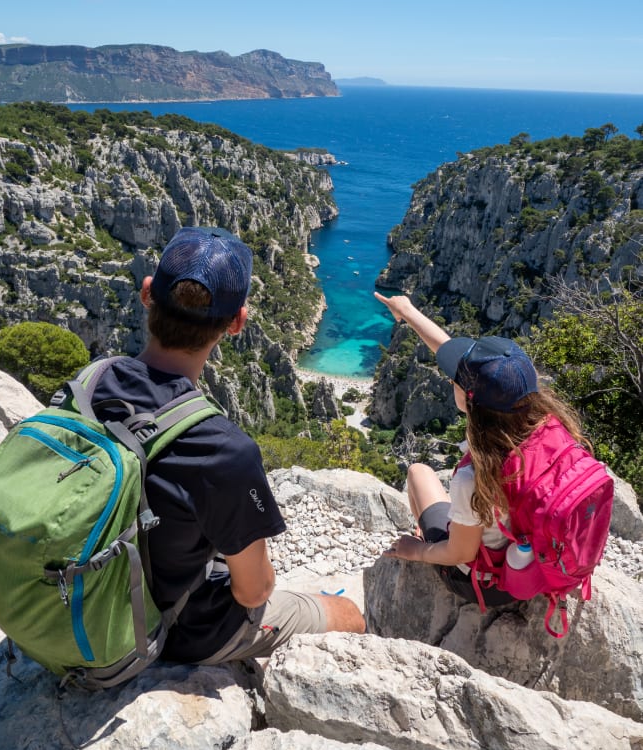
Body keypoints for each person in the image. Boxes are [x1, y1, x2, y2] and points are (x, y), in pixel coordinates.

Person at [91, 227, 365, 666]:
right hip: (175, 630)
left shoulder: (90, 382)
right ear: (237, 322)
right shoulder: (222, 449)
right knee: (347, 613)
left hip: (76, 596)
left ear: (146, 293)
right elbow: (254, 592)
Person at [374, 290, 591, 606]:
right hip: (541, 561)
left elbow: (460, 553)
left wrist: (418, 551)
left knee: (418, 473)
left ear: (468, 399)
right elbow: (454, 355)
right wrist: (406, 311)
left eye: (456, 380)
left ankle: (425, 536)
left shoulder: (476, 477)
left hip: (492, 584)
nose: (451, 380)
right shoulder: (550, 426)